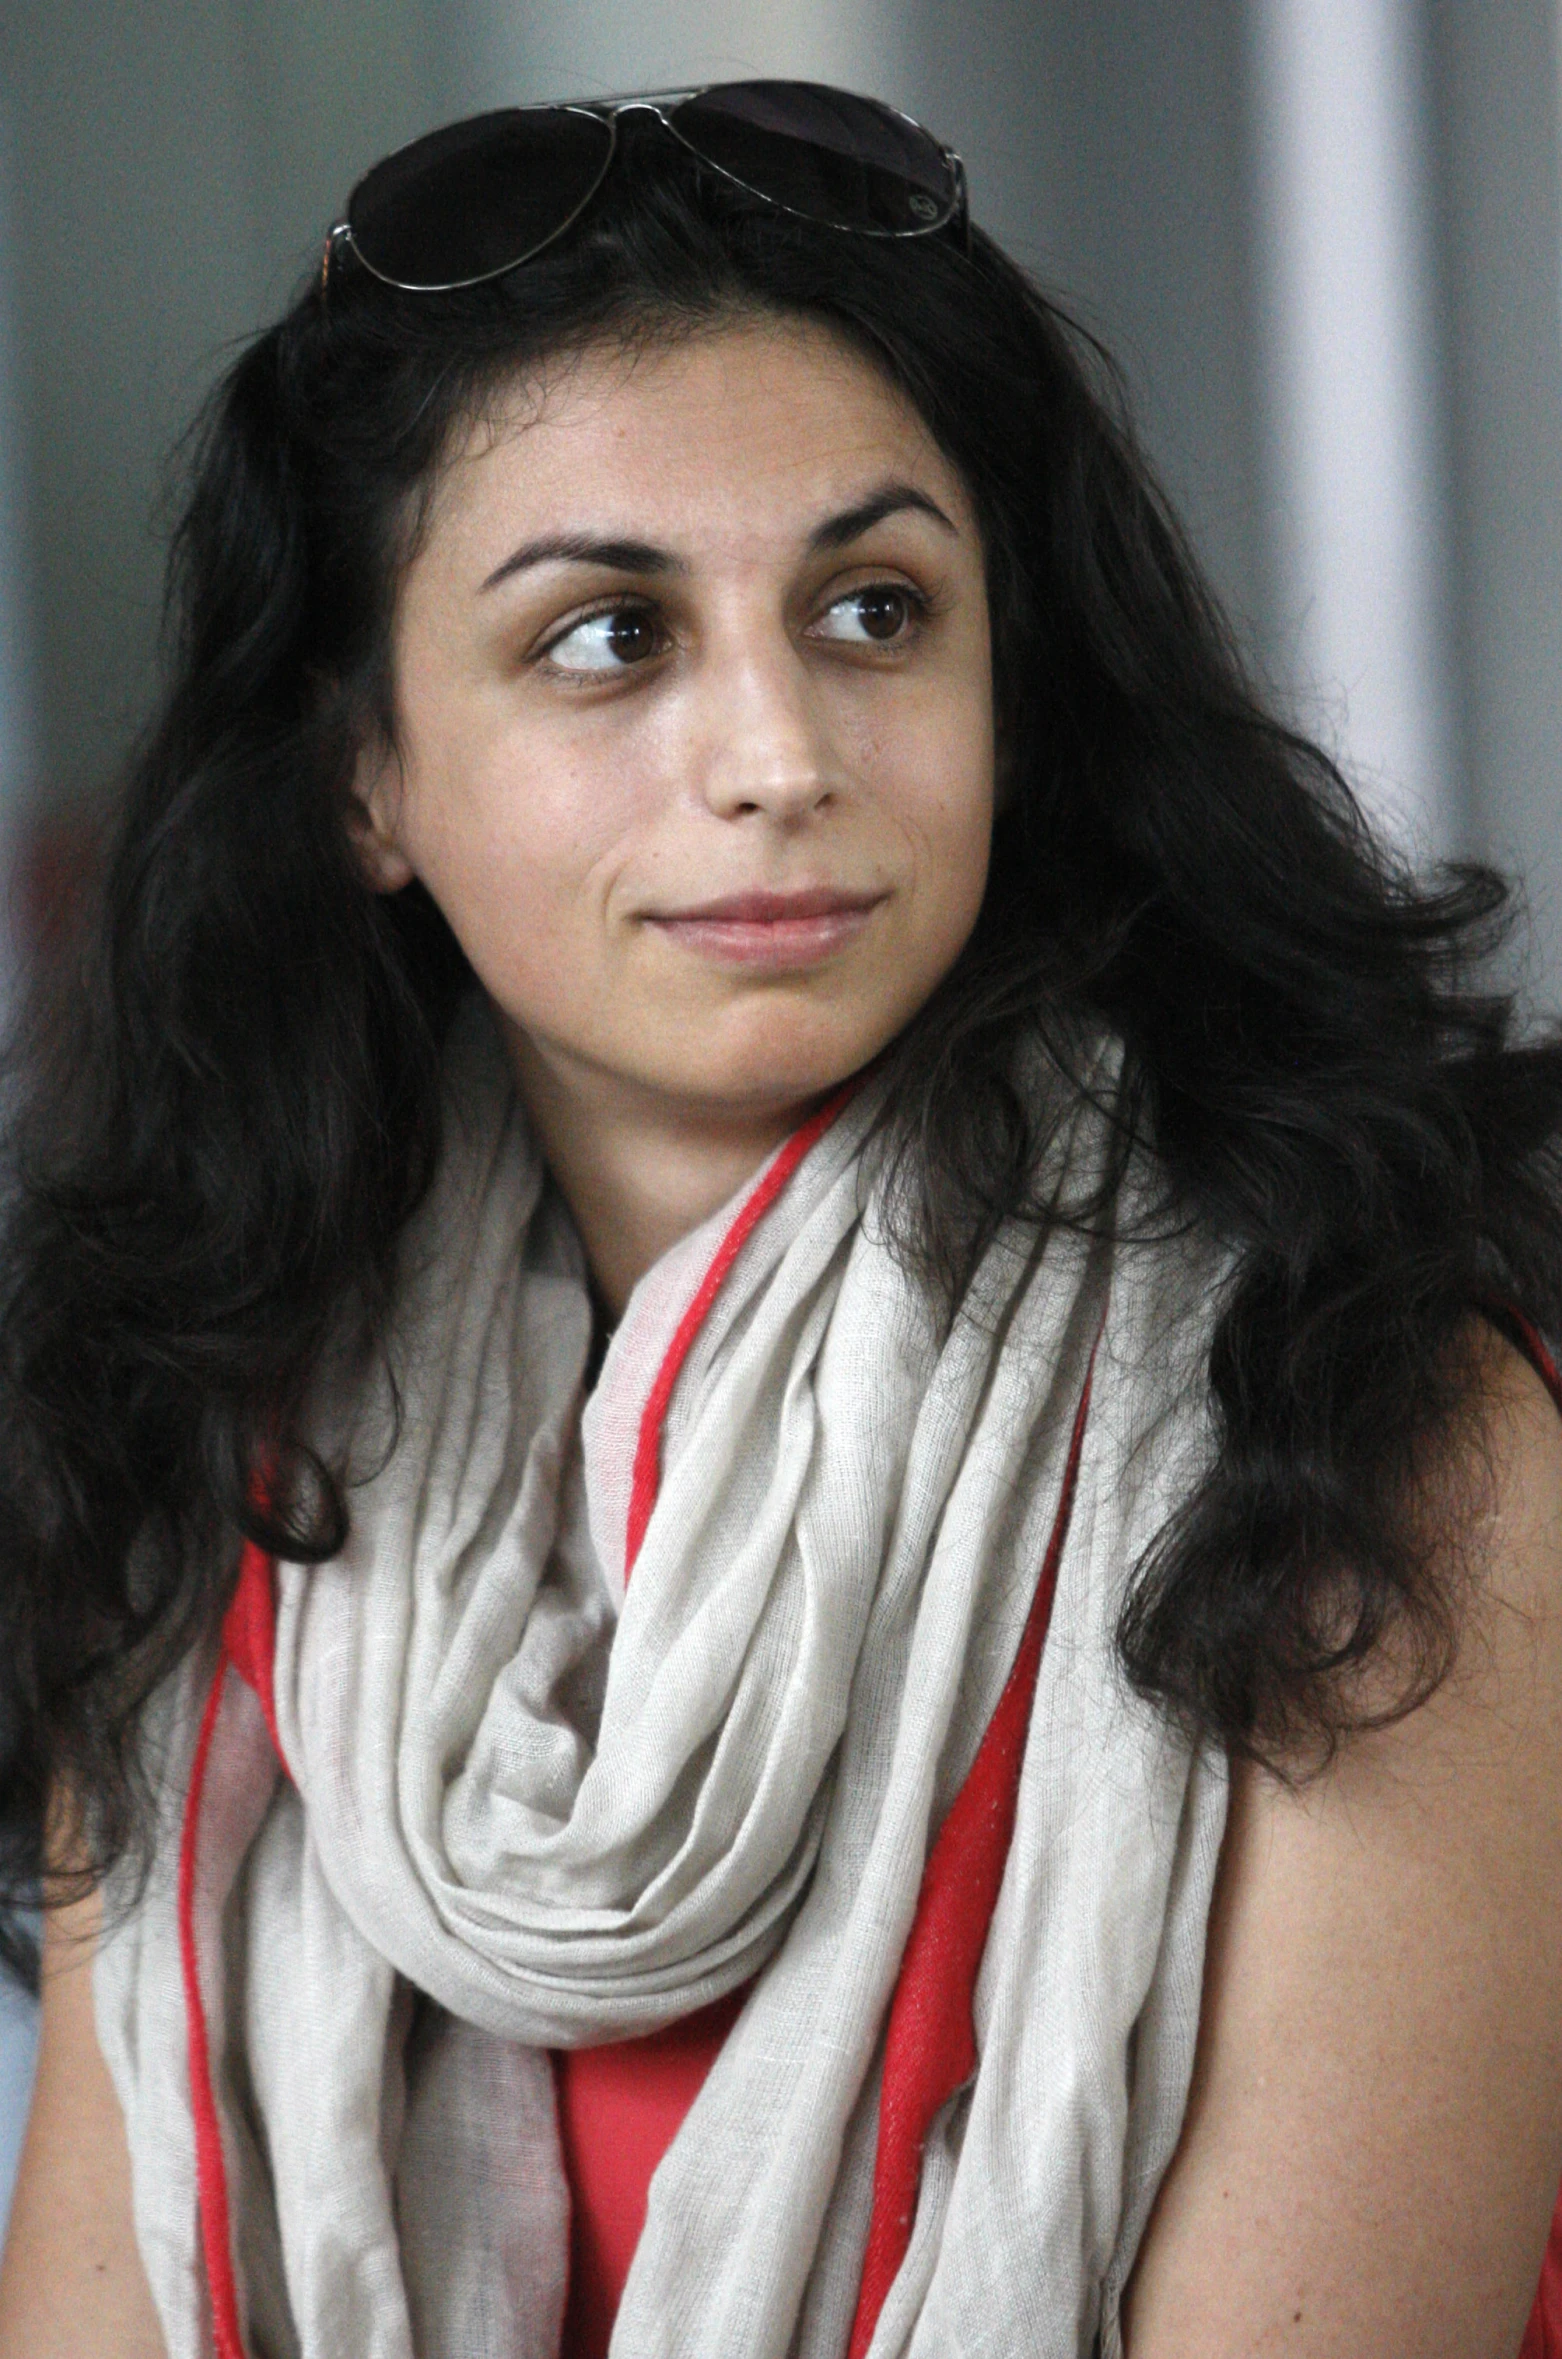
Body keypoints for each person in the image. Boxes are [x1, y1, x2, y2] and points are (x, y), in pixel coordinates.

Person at [0, 79, 1559, 2359]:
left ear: (1012, 693)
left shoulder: (1362, 1420)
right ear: (363, 774)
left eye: (872, 605)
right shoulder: (207, 1457)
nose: (778, 751)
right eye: (608, 638)